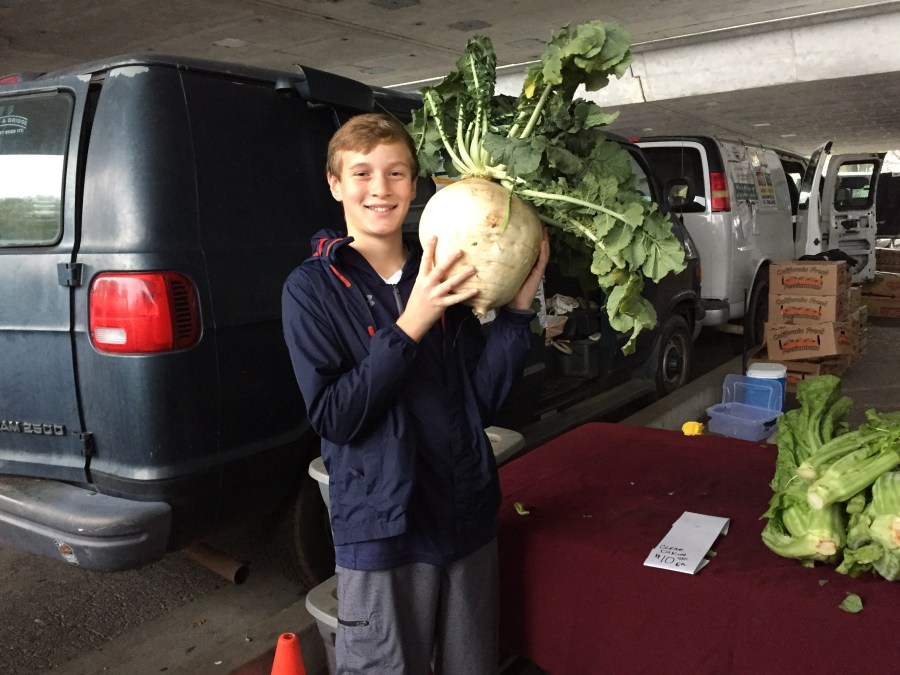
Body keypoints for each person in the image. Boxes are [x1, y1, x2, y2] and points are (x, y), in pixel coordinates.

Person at [281, 112, 548, 674]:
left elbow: (484, 403)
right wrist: (411, 324)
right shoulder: (311, 288)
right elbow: (336, 416)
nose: (380, 189)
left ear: (415, 185)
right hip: (381, 533)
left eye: (396, 173)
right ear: (335, 184)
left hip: (464, 519)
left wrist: (517, 313)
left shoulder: (448, 268)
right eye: (362, 173)